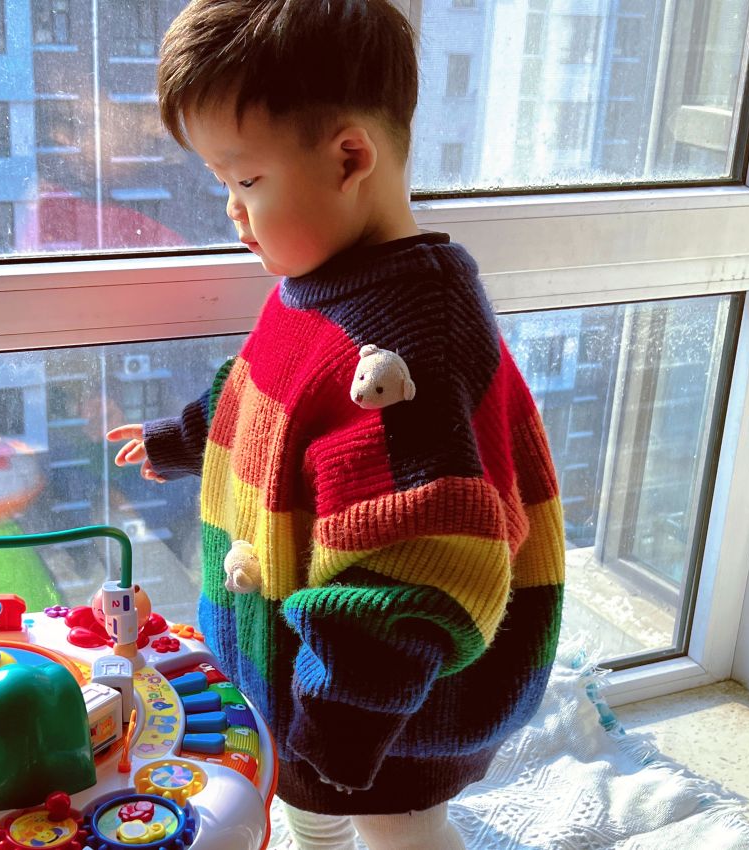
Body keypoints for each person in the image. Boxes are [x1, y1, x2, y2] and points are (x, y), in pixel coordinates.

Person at [107, 1, 565, 848]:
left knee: (398, 830)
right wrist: (182, 439)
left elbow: (415, 565)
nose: (232, 211)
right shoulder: (323, 282)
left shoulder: (407, 346)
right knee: (308, 805)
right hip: (306, 684)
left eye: (246, 182)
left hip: (386, 710)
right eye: (223, 185)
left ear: (350, 157)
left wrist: (344, 719)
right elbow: (264, 396)